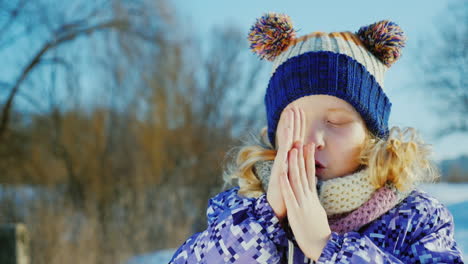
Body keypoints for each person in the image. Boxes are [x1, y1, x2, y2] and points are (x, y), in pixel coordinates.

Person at [169, 13, 465, 263]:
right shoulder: (236, 210)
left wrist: (328, 248)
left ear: (372, 135)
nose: (314, 140)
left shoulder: (416, 218)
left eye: (336, 121)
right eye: (295, 123)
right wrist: (262, 220)